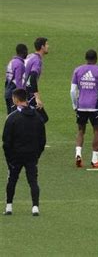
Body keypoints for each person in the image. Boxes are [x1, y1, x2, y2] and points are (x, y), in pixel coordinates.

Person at [3, 88, 46, 216]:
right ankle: (35, 207)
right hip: (32, 155)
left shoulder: (12, 118)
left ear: (16, 100)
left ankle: (9, 206)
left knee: (12, 179)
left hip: (16, 156)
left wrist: (9, 158)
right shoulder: (37, 117)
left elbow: (6, 141)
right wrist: (37, 154)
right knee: (33, 180)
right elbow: (42, 140)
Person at [70, 50, 98, 169]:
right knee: (97, 131)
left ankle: (78, 154)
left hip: (81, 105)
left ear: (85, 58)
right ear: (96, 58)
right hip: (95, 107)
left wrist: (74, 105)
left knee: (81, 130)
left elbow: (73, 91)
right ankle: (94, 160)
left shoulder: (77, 70)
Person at [24, 37, 49, 123]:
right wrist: (37, 98)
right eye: (46, 44)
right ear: (42, 47)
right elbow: (33, 78)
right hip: (29, 93)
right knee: (42, 118)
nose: (48, 46)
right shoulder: (37, 60)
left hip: (23, 90)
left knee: (31, 119)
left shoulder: (30, 56)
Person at [5, 43, 28, 114]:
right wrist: (22, 97)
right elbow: (18, 81)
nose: (27, 53)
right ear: (23, 52)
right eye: (27, 51)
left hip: (8, 93)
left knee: (10, 117)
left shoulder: (12, 62)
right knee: (17, 117)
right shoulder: (19, 64)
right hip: (15, 96)